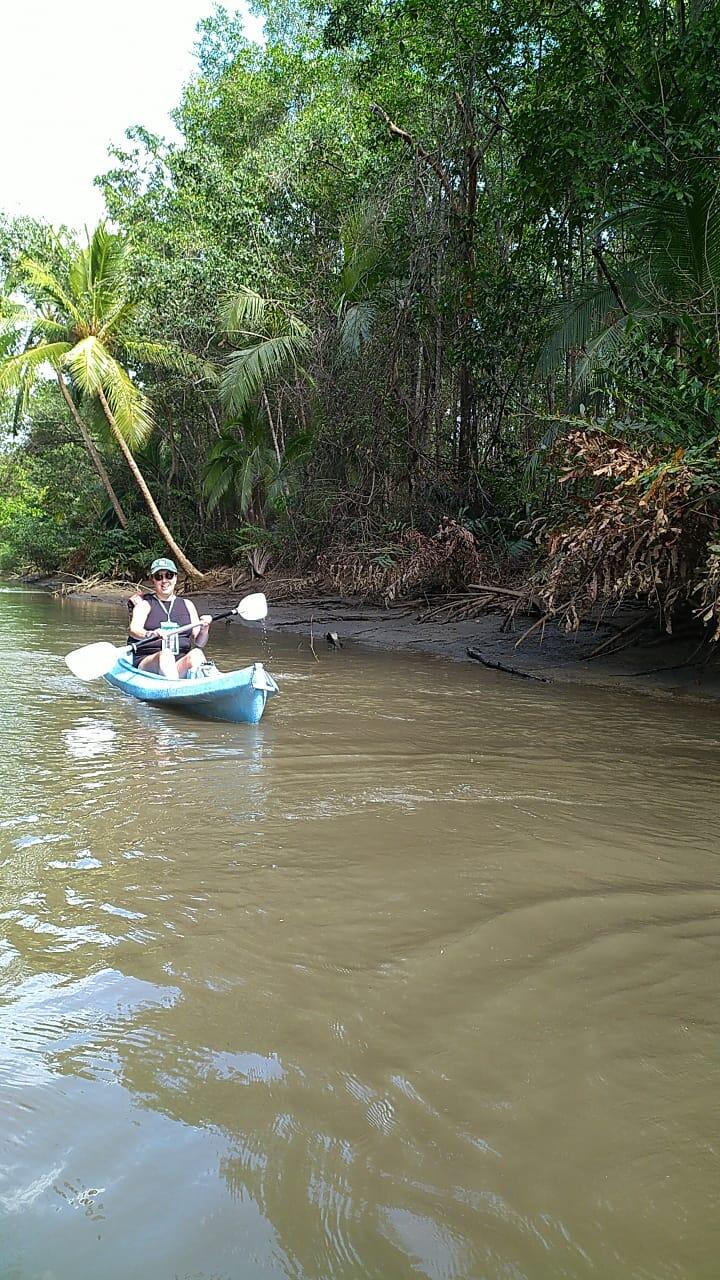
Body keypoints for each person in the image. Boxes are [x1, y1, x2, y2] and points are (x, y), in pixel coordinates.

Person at [127, 557, 214, 679]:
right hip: (149, 660)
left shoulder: (187, 605)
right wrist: (150, 634)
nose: (164, 580)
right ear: (153, 580)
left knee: (197, 654)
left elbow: (200, 643)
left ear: (175, 578)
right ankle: (174, 690)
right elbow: (133, 630)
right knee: (166, 655)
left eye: (169, 575)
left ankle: (207, 686)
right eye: (159, 577)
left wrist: (205, 628)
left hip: (178, 661)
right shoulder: (144, 604)